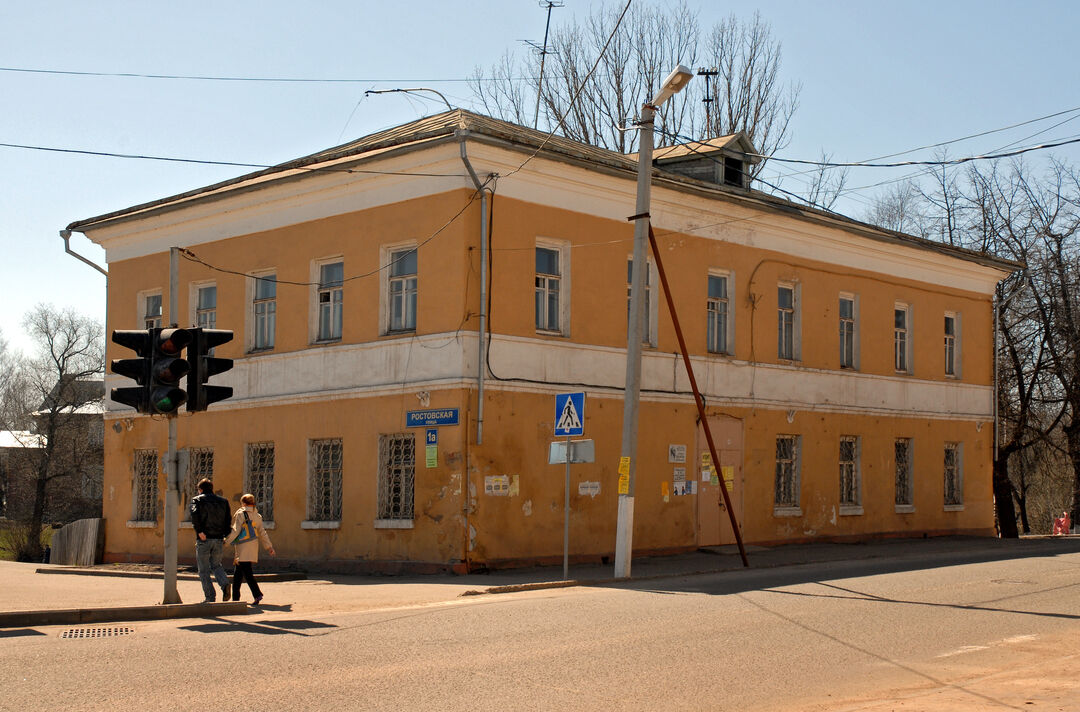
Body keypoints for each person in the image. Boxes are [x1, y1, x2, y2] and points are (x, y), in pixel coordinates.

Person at [225, 493, 275, 604]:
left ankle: (257, 594)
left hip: (243, 547)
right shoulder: (257, 516)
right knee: (238, 574)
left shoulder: (241, 514)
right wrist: (269, 547)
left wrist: (226, 542)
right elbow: (262, 533)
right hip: (252, 546)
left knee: (247, 573)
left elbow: (236, 530)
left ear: (243, 503)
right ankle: (236, 598)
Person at [189, 478, 232, 603]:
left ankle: (210, 596)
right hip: (218, 538)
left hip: (204, 538)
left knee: (203, 569)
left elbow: (194, 516)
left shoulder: (196, 500)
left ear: (200, 489)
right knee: (216, 565)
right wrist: (225, 534)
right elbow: (227, 519)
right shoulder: (223, 501)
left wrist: (199, 531)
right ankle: (224, 584)